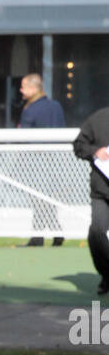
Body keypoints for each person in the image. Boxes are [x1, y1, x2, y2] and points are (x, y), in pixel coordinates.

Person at [18, 74, 66, 247]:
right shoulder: (56, 106)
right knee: (46, 199)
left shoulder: (30, 110)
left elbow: (25, 138)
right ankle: (53, 233)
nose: (21, 90)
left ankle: (41, 236)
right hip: (55, 161)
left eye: (23, 86)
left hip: (36, 161)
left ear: (33, 88)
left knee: (38, 199)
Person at [73, 104, 109, 296]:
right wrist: (95, 152)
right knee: (97, 232)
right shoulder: (98, 119)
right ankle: (106, 274)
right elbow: (78, 145)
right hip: (102, 190)